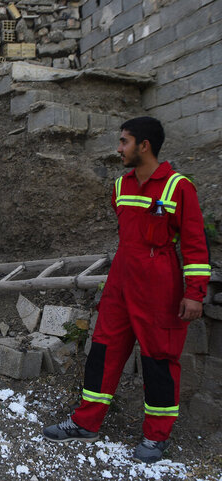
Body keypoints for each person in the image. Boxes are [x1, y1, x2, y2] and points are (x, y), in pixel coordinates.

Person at [43, 117, 211, 463]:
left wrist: (194, 293)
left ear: (144, 145)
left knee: (159, 360)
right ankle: (86, 423)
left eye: (124, 142)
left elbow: (195, 245)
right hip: (121, 281)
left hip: (159, 284)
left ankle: (156, 437)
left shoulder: (179, 187)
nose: (118, 149)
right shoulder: (121, 186)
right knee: (103, 352)